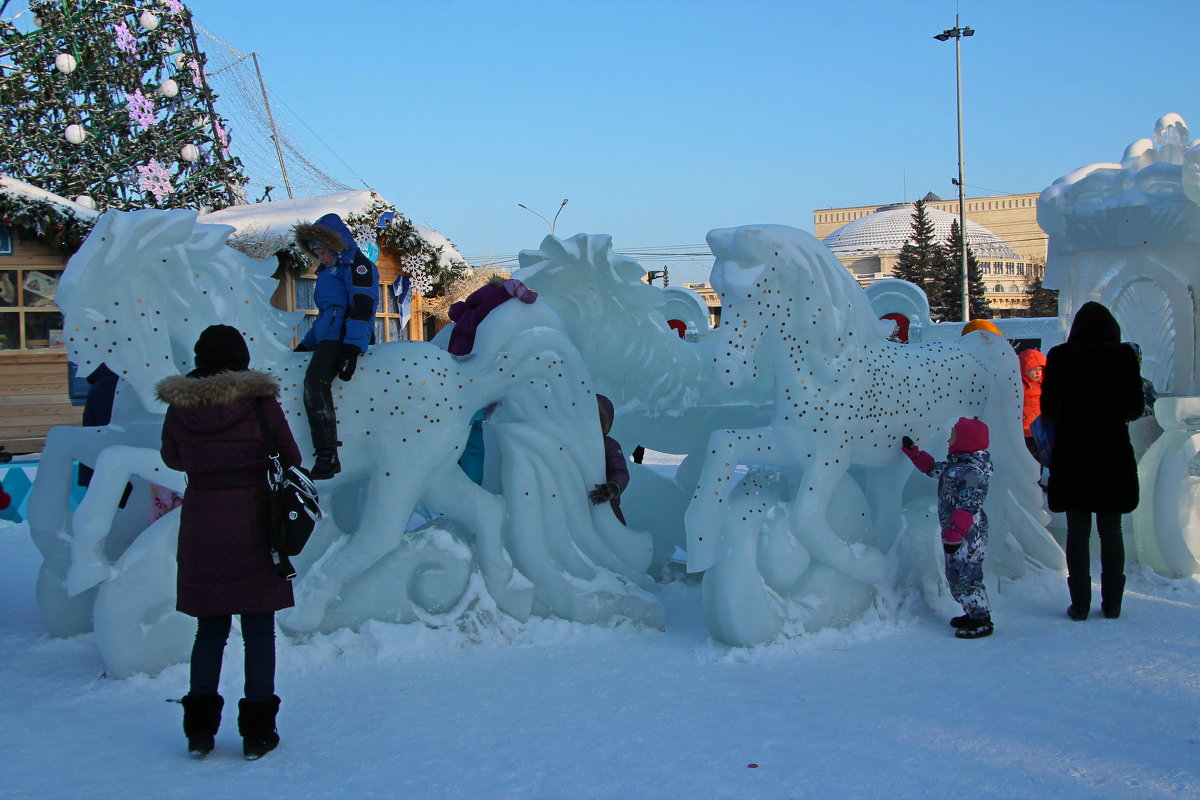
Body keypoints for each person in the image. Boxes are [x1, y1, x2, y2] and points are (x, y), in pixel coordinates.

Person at [156, 324, 301, 760]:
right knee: (258, 631)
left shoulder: (180, 406)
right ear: (241, 358)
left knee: (210, 628)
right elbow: (291, 457)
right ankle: (258, 733)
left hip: (202, 525)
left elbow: (172, 457)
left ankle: (199, 732)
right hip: (255, 524)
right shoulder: (259, 403)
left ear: (200, 360)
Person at [1040, 302, 1144, 621]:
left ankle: (1080, 604)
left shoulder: (1060, 357)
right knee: (1111, 530)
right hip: (1113, 453)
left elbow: (1049, 410)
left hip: (1074, 454)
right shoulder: (1124, 357)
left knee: (1078, 530)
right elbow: (1134, 410)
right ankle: (1113, 603)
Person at [293, 214, 379, 480]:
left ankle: (327, 454)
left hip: (344, 338)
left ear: (332, 244)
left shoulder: (355, 265)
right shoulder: (329, 271)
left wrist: (352, 347)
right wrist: (305, 345)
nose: (318, 256)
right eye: (314, 250)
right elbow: (326, 315)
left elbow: (363, 306)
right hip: (330, 336)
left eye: (320, 249)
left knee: (315, 381)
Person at [901, 417, 994, 639]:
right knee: (955, 573)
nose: (948, 438)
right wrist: (915, 453)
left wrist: (955, 532)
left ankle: (981, 618)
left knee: (968, 576)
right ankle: (971, 611)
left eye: (953, 434)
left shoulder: (972, 472)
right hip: (955, 533)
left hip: (968, 535)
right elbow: (934, 469)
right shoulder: (956, 465)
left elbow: (970, 504)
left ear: (966, 440)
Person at [589, 395, 630, 524]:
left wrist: (612, 488)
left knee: (615, 538)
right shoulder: (570, 445)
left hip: (606, 505)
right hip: (580, 507)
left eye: (597, 419)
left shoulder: (609, 445)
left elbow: (620, 472)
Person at [1018, 349, 1046, 459]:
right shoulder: (1020, 387)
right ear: (1024, 369)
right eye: (1034, 369)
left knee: (1040, 454)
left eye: (1040, 369)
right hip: (1025, 429)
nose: (1038, 373)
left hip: (1039, 428)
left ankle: (1038, 474)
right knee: (1028, 456)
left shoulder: (1043, 386)